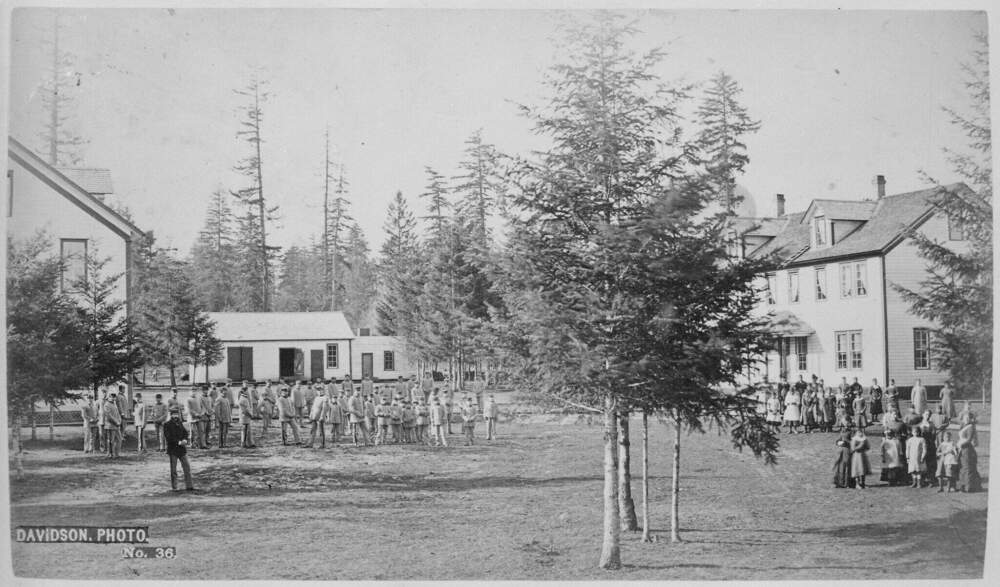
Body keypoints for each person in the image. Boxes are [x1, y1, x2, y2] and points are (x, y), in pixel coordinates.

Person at [163, 407, 195, 492]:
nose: (176, 416)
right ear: (171, 415)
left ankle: (189, 485)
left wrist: (185, 439)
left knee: (187, 468)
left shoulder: (180, 423)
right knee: (173, 470)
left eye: (177, 414)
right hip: (173, 450)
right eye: (174, 414)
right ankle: (175, 487)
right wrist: (179, 442)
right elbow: (168, 437)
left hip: (182, 450)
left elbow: (185, 433)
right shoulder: (167, 425)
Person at [956, 412, 981, 493]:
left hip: (967, 449)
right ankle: (963, 486)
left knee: (967, 467)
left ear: (970, 419)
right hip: (962, 449)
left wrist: (961, 445)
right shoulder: (963, 426)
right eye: (964, 418)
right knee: (962, 467)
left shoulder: (971, 427)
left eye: (968, 418)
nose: (966, 419)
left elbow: (969, 439)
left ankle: (968, 487)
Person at [104, 392, 122, 459]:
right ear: (109, 397)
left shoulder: (114, 404)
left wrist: (119, 421)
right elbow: (109, 416)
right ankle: (110, 454)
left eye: (114, 397)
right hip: (110, 425)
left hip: (116, 425)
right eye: (111, 397)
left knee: (119, 439)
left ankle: (116, 453)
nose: (113, 398)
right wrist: (116, 422)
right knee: (111, 440)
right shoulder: (106, 405)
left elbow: (118, 414)